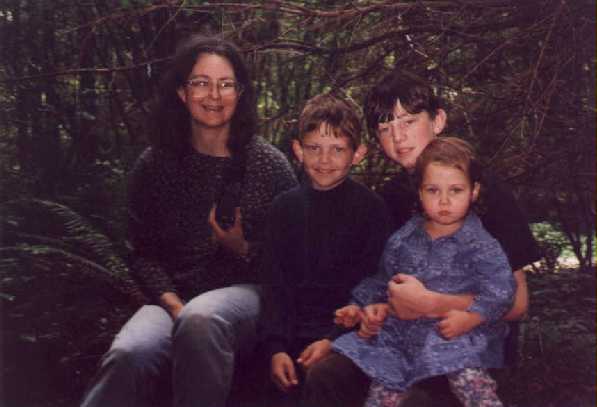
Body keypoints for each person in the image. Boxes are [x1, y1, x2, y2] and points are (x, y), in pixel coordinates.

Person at [80, 34, 297, 407]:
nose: (214, 95)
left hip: (244, 298)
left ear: (240, 93)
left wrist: (243, 249)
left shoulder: (268, 164)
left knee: (201, 318)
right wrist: (173, 305)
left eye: (226, 84)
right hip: (173, 299)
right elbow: (141, 251)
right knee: (130, 352)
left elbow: (292, 260)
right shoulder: (155, 164)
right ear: (182, 92)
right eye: (201, 83)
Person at [304, 72, 541, 407]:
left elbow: (516, 304)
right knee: (326, 375)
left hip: (467, 345)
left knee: (415, 402)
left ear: (438, 120)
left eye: (409, 121)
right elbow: (383, 282)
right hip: (401, 340)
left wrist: (431, 303)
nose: (398, 137)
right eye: (385, 128)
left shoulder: (482, 191)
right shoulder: (390, 200)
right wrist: (360, 318)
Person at [333, 137, 516, 407]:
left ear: (473, 191)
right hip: (402, 336)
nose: (444, 201)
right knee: (382, 390)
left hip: (457, 335)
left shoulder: (482, 245)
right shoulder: (403, 239)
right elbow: (382, 281)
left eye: (455, 190)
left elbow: (502, 291)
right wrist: (360, 307)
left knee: (471, 383)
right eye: (433, 190)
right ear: (419, 193)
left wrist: (471, 318)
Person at [259, 94, 392, 406]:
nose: (324, 159)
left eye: (337, 149)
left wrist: (331, 341)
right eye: (314, 148)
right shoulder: (283, 208)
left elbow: (375, 284)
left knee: (323, 381)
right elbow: (275, 285)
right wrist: (275, 347)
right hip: (291, 335)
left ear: (357, 153)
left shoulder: (372, 210)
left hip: (347, 336)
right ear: (297, 150)